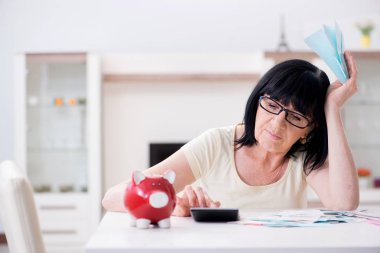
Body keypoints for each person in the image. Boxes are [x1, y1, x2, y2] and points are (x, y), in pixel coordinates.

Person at [102, 51, 359, 216]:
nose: (277, 124)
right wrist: (172, 202)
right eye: (271, 105)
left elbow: (345, 203)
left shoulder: (303, 158)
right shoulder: (216, 143)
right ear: (256, 101)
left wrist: (332, 109)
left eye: (296, 117)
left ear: (310, 128)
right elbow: (112, 198)